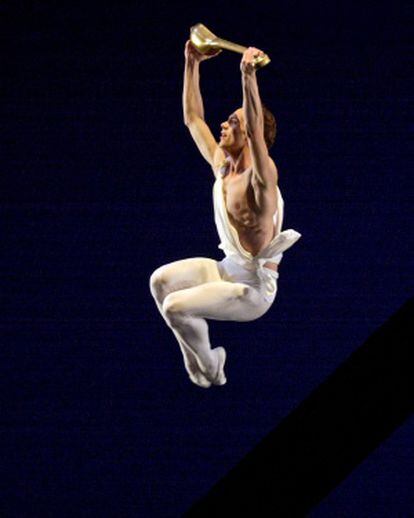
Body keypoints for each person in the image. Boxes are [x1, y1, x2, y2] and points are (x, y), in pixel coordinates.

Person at [149, 40, 301, 388]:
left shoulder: (260, 181)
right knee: (160, 282)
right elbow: (192, 118)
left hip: (252, 291)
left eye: (234, 121)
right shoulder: (223, 167)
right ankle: (203, 362)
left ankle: (210, 369)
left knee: (175, 307)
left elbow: (257, 136)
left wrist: (248, 76)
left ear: (250, 132)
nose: (223, 125)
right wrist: (192, 63)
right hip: (225, 269)